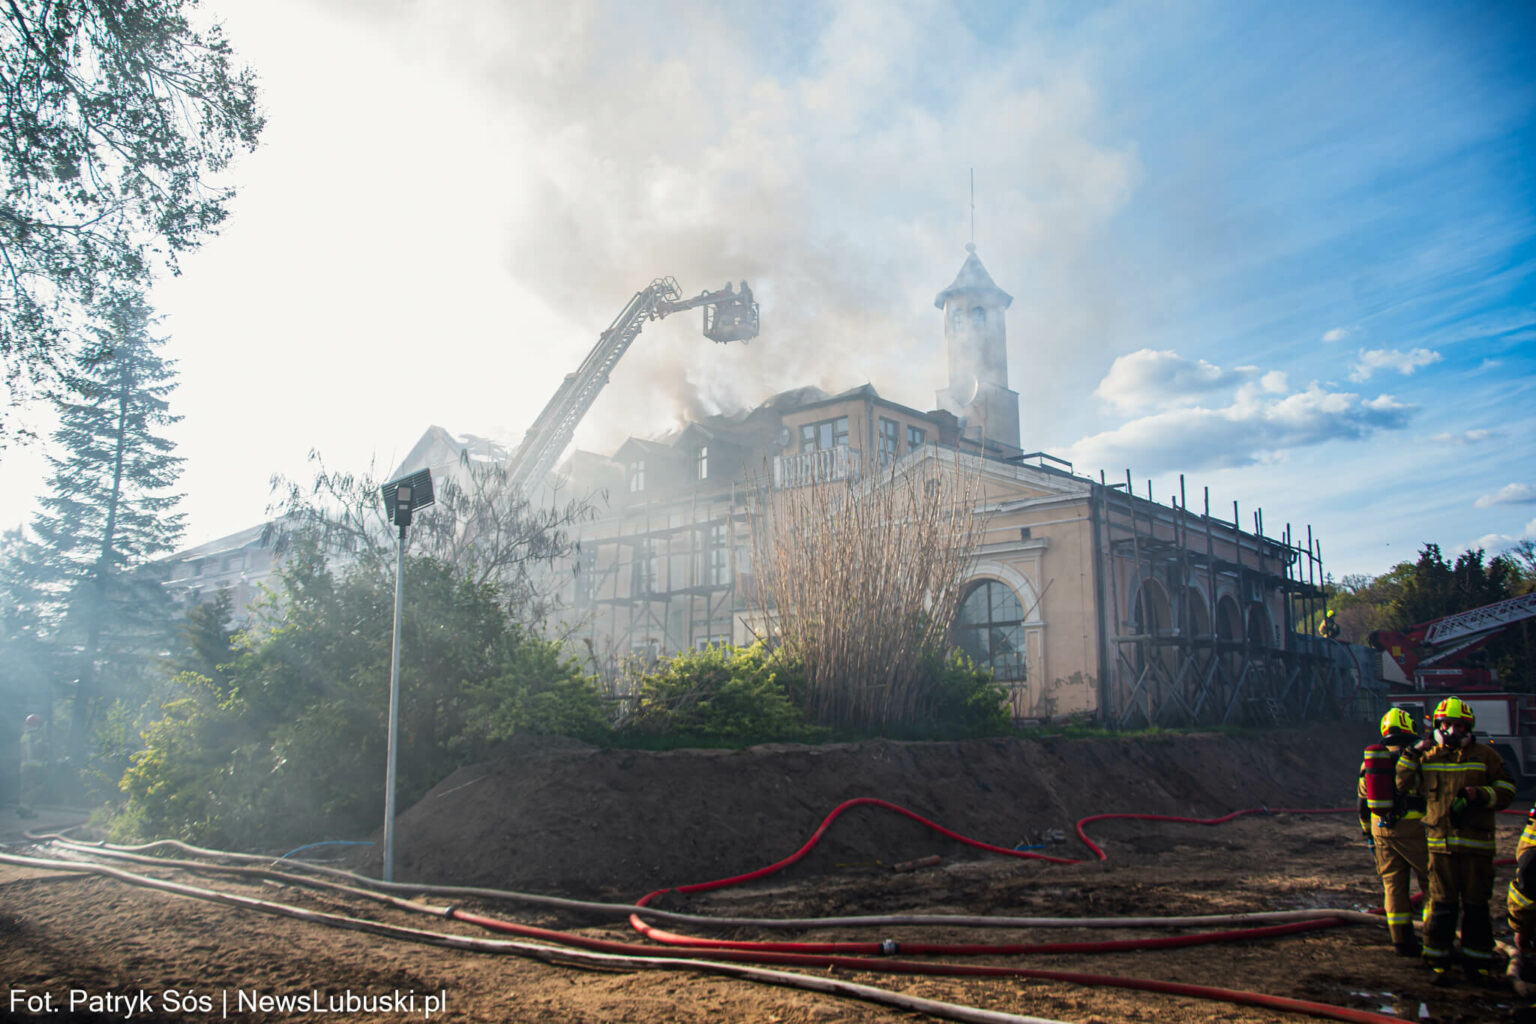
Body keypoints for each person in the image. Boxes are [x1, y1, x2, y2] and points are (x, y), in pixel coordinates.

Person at [1396, 696, 1516, 985]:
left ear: (1468, 727)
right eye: (1446, 725)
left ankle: (1478, 965)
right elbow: (1401, 783)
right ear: (1437, 725)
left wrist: (1482, 795)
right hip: (1441, 848)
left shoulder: (1485, 756)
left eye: (1457, 725)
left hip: (1477, 848)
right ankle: (1438, 961)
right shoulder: (1427, 756)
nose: (1451, 730)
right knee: (1441, 906)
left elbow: (1507, 788)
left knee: (1476, 907)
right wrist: (1411, 753)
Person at [1357, 707, 1429, 955]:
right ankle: (1433, 938)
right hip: (1415, 831)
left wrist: (1368, 836)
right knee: (1432, 884)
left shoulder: (1371, 762)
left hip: (1381, 831)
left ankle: (1401, 941)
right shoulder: (1419, 756)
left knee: (1394, 888)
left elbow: (1363, 804)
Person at [18, 713, 43, 818]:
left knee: (25, 788)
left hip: (24, 766)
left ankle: (24, 809)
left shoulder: (25, 735)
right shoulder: (36, 736)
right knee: (37, 787)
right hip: (34, 766)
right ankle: (26, 808)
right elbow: (40, 750)